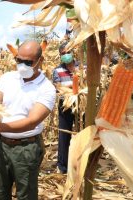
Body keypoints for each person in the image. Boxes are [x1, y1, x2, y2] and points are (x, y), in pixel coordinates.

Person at [0, 40, 56, 199]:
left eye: (28, 62)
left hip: (26, 148)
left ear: (40, 61)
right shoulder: (7, 78)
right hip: (2, 145)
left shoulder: (46, 88)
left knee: (26, 195)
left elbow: (32, 121)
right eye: (18, 60)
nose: (22, 65)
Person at [52, 42, 78, 174]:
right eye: (63, 54)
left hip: (82, 105)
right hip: (65, 105)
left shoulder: (82, 67)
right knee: (64, 135)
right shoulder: (57, 70)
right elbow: (57, 88)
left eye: (68, 52)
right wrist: (75, 83)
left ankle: (81, 163)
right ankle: (62, 166)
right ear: (60, 55)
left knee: (83, 133)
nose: (66, 55)